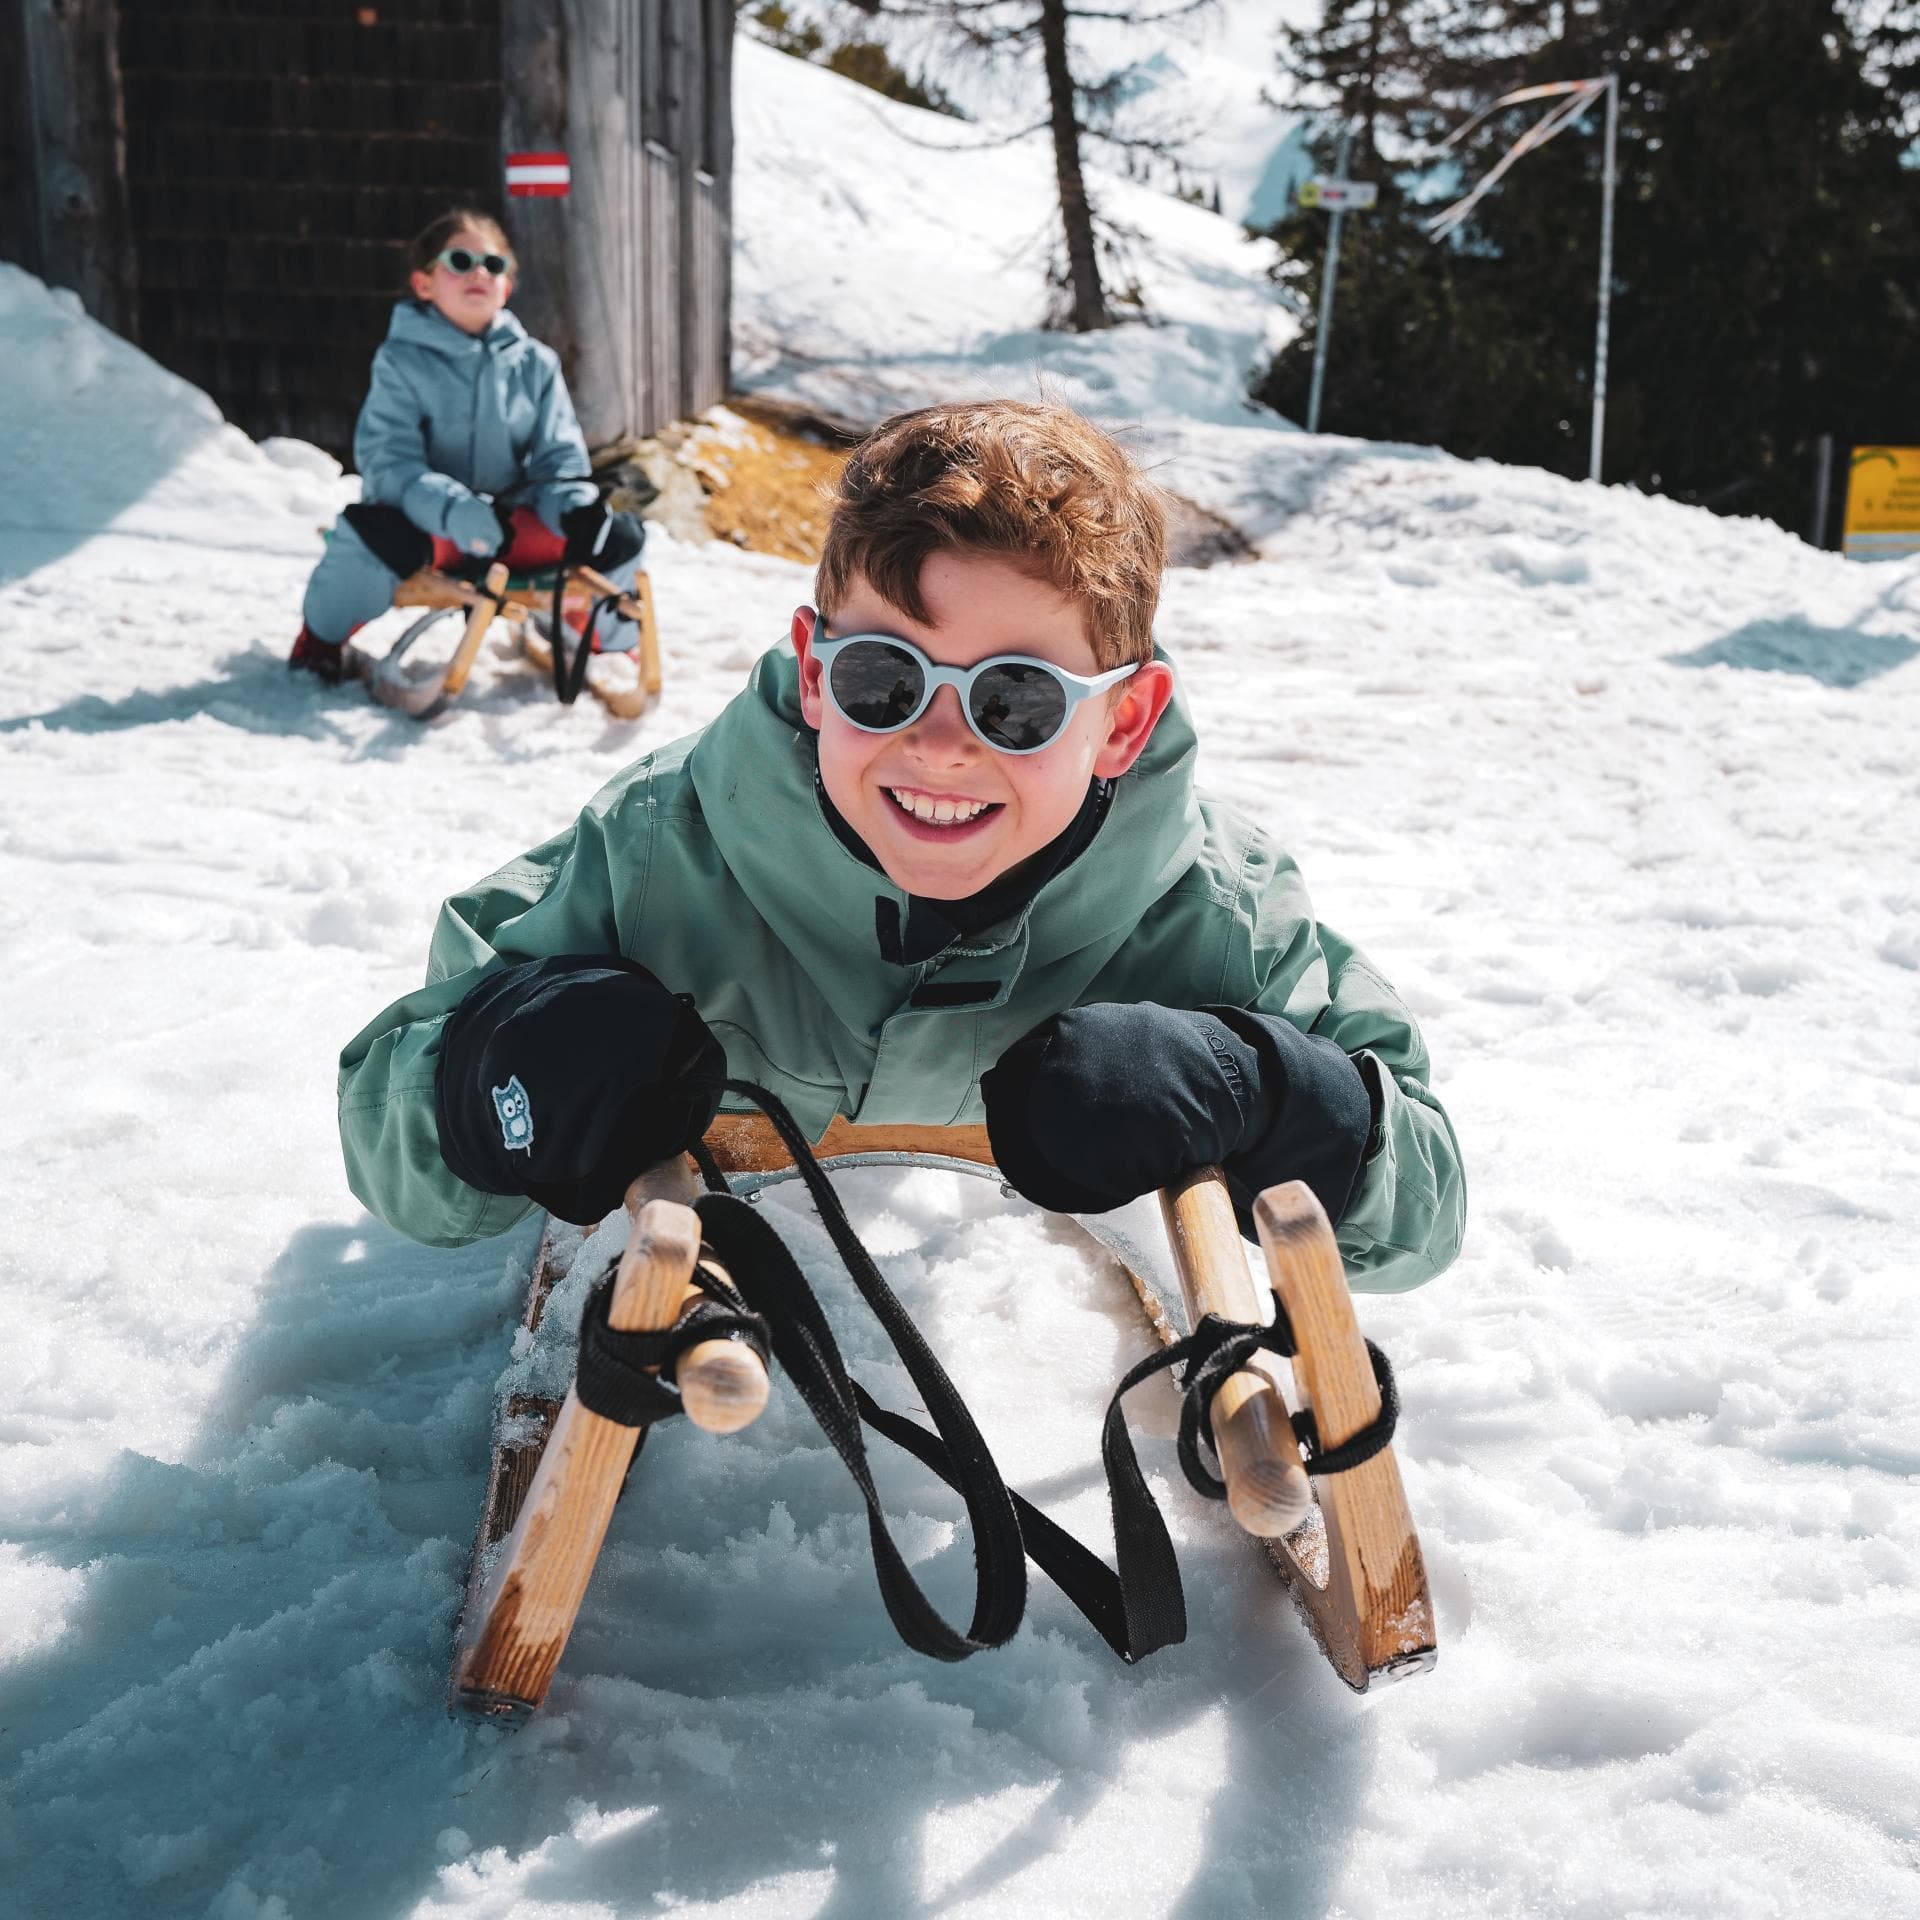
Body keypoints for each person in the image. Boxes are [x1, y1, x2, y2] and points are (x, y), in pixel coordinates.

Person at [338, 401, 1465, 1293]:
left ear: (1122, 722)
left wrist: (1264, 1092)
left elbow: (1425, 1204)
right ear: (819, 675)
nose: (939, 747)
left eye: (1016, 702)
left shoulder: (1213, 909)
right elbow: (393, 1120)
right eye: (886, 679)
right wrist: (500, 1079)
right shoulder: (661, 856)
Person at [288, 208, 644, 686]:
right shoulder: (400, 361)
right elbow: (390, 464)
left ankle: (603, 643)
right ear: (424, 283)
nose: (479, 272)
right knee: (370, 536)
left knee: (615, 537)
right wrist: (455, 510)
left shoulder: (536, 364)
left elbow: (559, 459)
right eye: (460, 260)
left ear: (507, 286)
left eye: (493, 265)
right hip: (435, 532)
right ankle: (322, 639)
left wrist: (573, 508)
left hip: (512, 530)